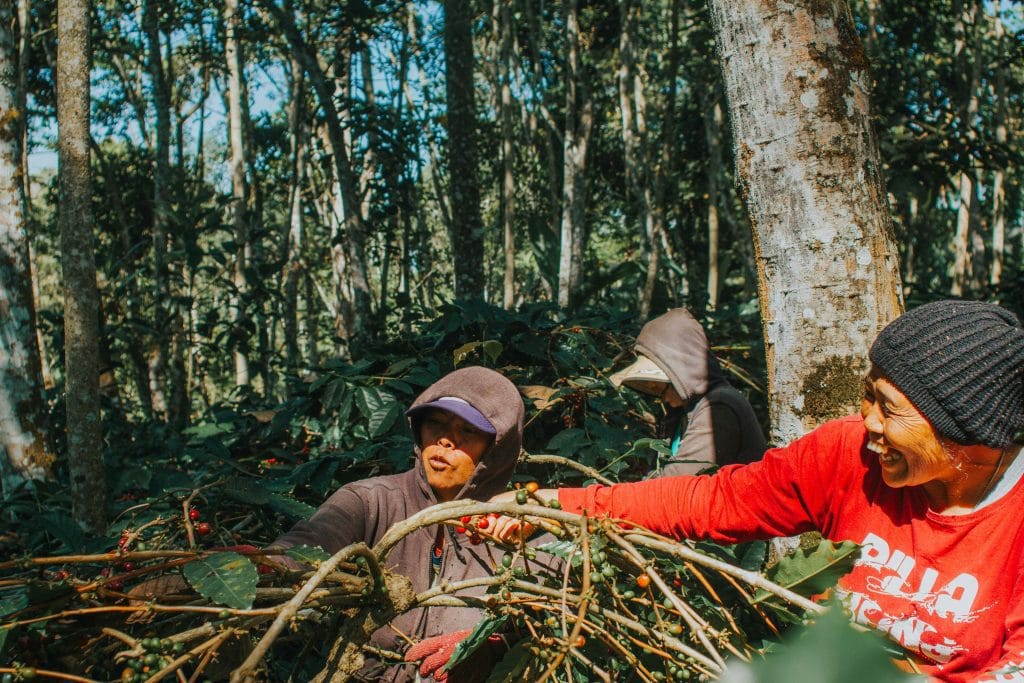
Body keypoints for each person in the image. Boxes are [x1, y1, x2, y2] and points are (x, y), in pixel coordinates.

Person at [475, 301, 1024, 683]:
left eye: (890, 407)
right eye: (868, 394)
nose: (868, 420)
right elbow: (710, 501)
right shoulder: (846, 454)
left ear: (967, 432)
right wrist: (557, 507)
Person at [271, 366, 525, 682]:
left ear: (497, 449)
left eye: (468, 431)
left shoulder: (519, 523)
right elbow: (310, 543)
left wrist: (490, 645)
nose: (445, 440)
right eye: (436, 423)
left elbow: (544, 621)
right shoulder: (371, 500)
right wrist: (261, 565)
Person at [609, 308, 768, 475]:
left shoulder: (719, 405)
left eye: (661, 388)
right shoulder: (684, 411)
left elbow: (679, 482)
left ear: (680, 375)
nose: (662, 400)